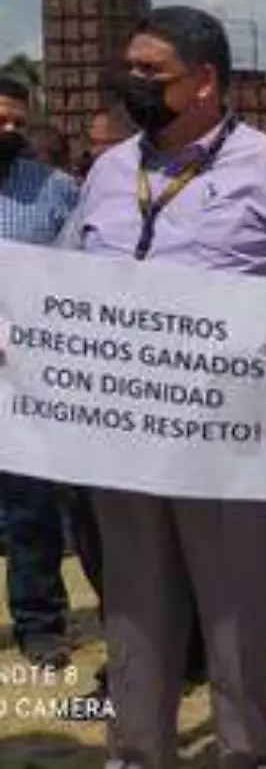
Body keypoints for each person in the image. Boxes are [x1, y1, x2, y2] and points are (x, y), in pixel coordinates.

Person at [64, 7, 266, 769]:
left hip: (235, 432)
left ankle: (248, 751)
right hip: (123, 429)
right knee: (132, 604)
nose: (132, 84)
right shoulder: (106, 169)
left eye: (149, 72)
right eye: (128, 68)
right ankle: (135, 750)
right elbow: (69, 282)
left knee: (238, 609)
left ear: (204, 82)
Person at [0, 76, 81, 670]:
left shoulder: (56, 190)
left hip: (26, 376)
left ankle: (40, 624)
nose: (9, 132)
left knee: (31, 508)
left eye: (17, 123)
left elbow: (84, 277)